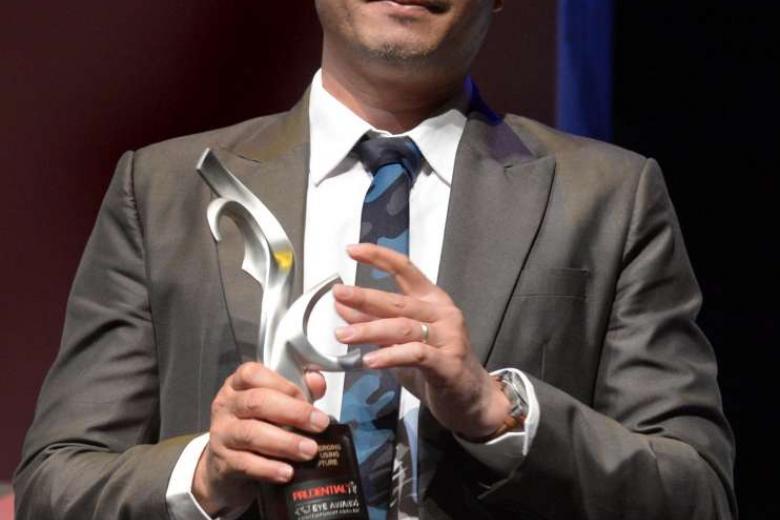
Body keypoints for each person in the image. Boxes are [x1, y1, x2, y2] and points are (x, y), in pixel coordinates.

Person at [15, 1, 736, 518]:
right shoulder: (165, 189)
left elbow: (697, 489)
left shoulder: (608, 197)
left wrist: (499, 414)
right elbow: (55, 484)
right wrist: (205, 472)